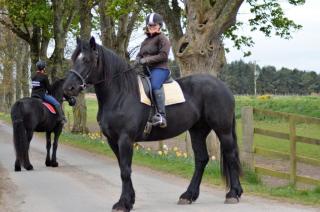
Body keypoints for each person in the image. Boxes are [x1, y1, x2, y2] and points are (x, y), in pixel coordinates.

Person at [135, 12, 171, 128]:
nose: (152, 28)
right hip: (146, 70)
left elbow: (163, 55)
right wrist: (137, 59)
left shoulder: (163, 38)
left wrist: (147, 60)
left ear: (160, 26)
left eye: (154, 25)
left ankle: (161, 115)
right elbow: (140, 54)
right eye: (150, 26)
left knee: (155, 85)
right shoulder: (145, 41)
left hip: (160, 69)